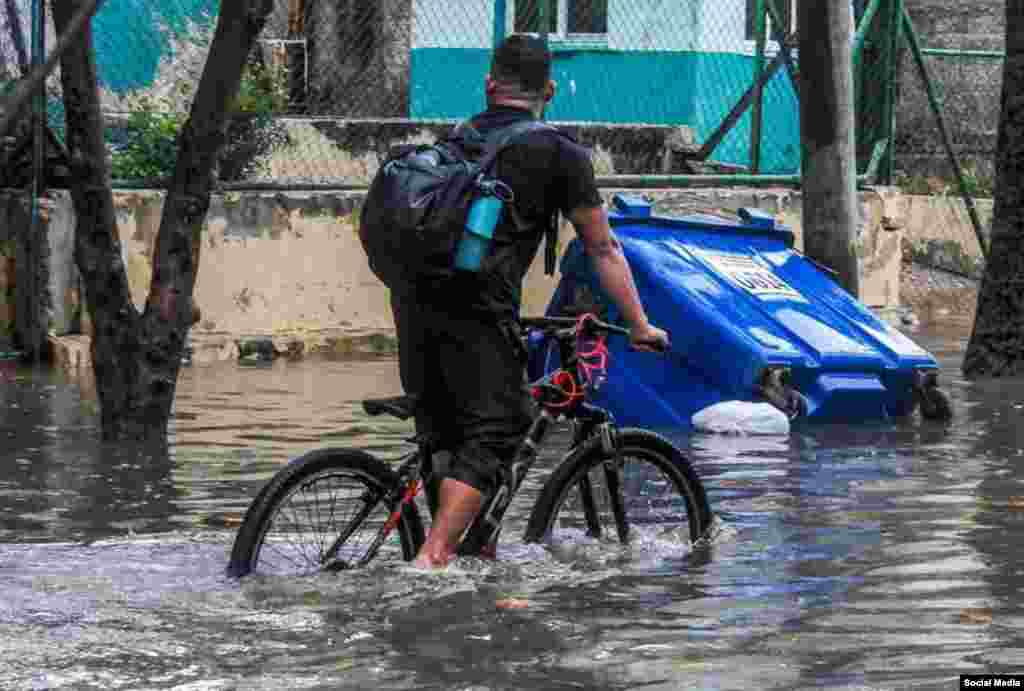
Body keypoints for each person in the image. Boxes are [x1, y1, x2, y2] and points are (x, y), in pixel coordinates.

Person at [390, 34, 670, 569]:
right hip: (477, 309)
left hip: (412, 304)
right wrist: (639, 324)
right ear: (551, 89)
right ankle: (433, 559)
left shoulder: (461, 138)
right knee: (504, 426)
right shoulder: (560, 153)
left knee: (448, 429)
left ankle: (461, 552)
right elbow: (603, 248)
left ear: (490, 84)